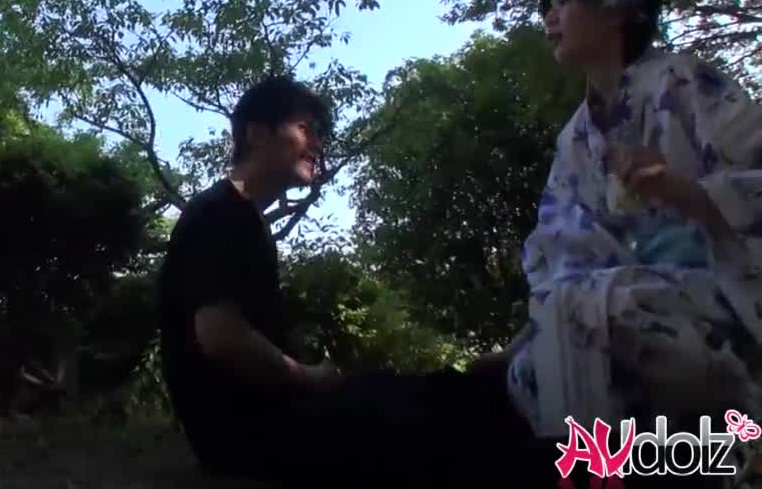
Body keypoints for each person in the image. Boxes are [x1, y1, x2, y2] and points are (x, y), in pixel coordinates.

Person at [157, 76, 559, 485]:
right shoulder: (220, 211)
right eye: (305, 129)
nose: (317, 144)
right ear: (257, 134)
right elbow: (221, 336)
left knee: (436, 394)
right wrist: (308, 377)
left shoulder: (239, 213)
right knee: (440, 417)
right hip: (248, 434)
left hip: (264, 421)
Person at [489, 0, 762, 482]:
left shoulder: (686, 80)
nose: (549, 17)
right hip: (634, 308)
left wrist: (687, 193)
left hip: (731, 299)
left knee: (575, 312)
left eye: (564, 2)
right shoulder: (576, 139)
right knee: (529, 371)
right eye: (548, 7)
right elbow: (560, 250)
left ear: (618, 11)